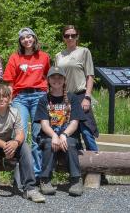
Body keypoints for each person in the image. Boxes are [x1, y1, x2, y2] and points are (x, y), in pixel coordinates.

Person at [0, 84, 45, 204]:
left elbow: (21, 134)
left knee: (25, 147)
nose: (1, 99)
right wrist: (6, 146)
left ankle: (30, 188)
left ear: (9, 99)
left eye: (5, 96)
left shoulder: (15, 112)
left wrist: (15, 143)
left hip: (9, 142)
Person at [2, 27, 50, 177]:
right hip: (20, 97)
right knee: (19, 134)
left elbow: (49, 78)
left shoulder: (44, 57)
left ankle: (36, 174)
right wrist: (10, 100)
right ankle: (20, 174)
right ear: (20, 42)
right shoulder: (15, 58)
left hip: (39, 96)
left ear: (34, 38)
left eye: (29, 37)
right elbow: (9, 82)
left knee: (37, 136)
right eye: (23, 38)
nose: (26, 40)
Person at [35, 67, 84, 197]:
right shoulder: (43, 99)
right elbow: (44, 124)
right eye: (53, 77)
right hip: (50, 134)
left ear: (64, 80)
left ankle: (75, 179)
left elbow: (75, 122)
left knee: (71, 144)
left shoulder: (73, 98)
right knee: (50, 143)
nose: (56, 80)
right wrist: (55, 135)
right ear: (48, 80)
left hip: (68, 133)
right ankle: (45, 179)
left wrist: (64, 134)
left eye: (59, 77)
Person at [54, 25, 99, 152]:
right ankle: (79, 166)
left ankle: (98, 165)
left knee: (86, 130)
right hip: (65, 97)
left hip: (80, 95)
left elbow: (90, 75)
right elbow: (56, 78)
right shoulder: (59, 56)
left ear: (77, 37)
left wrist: (87, 97)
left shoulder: (84, 52)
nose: (70, 38)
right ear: (63, 38)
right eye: (67, 35)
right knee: (71, 132)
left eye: (72, 35)